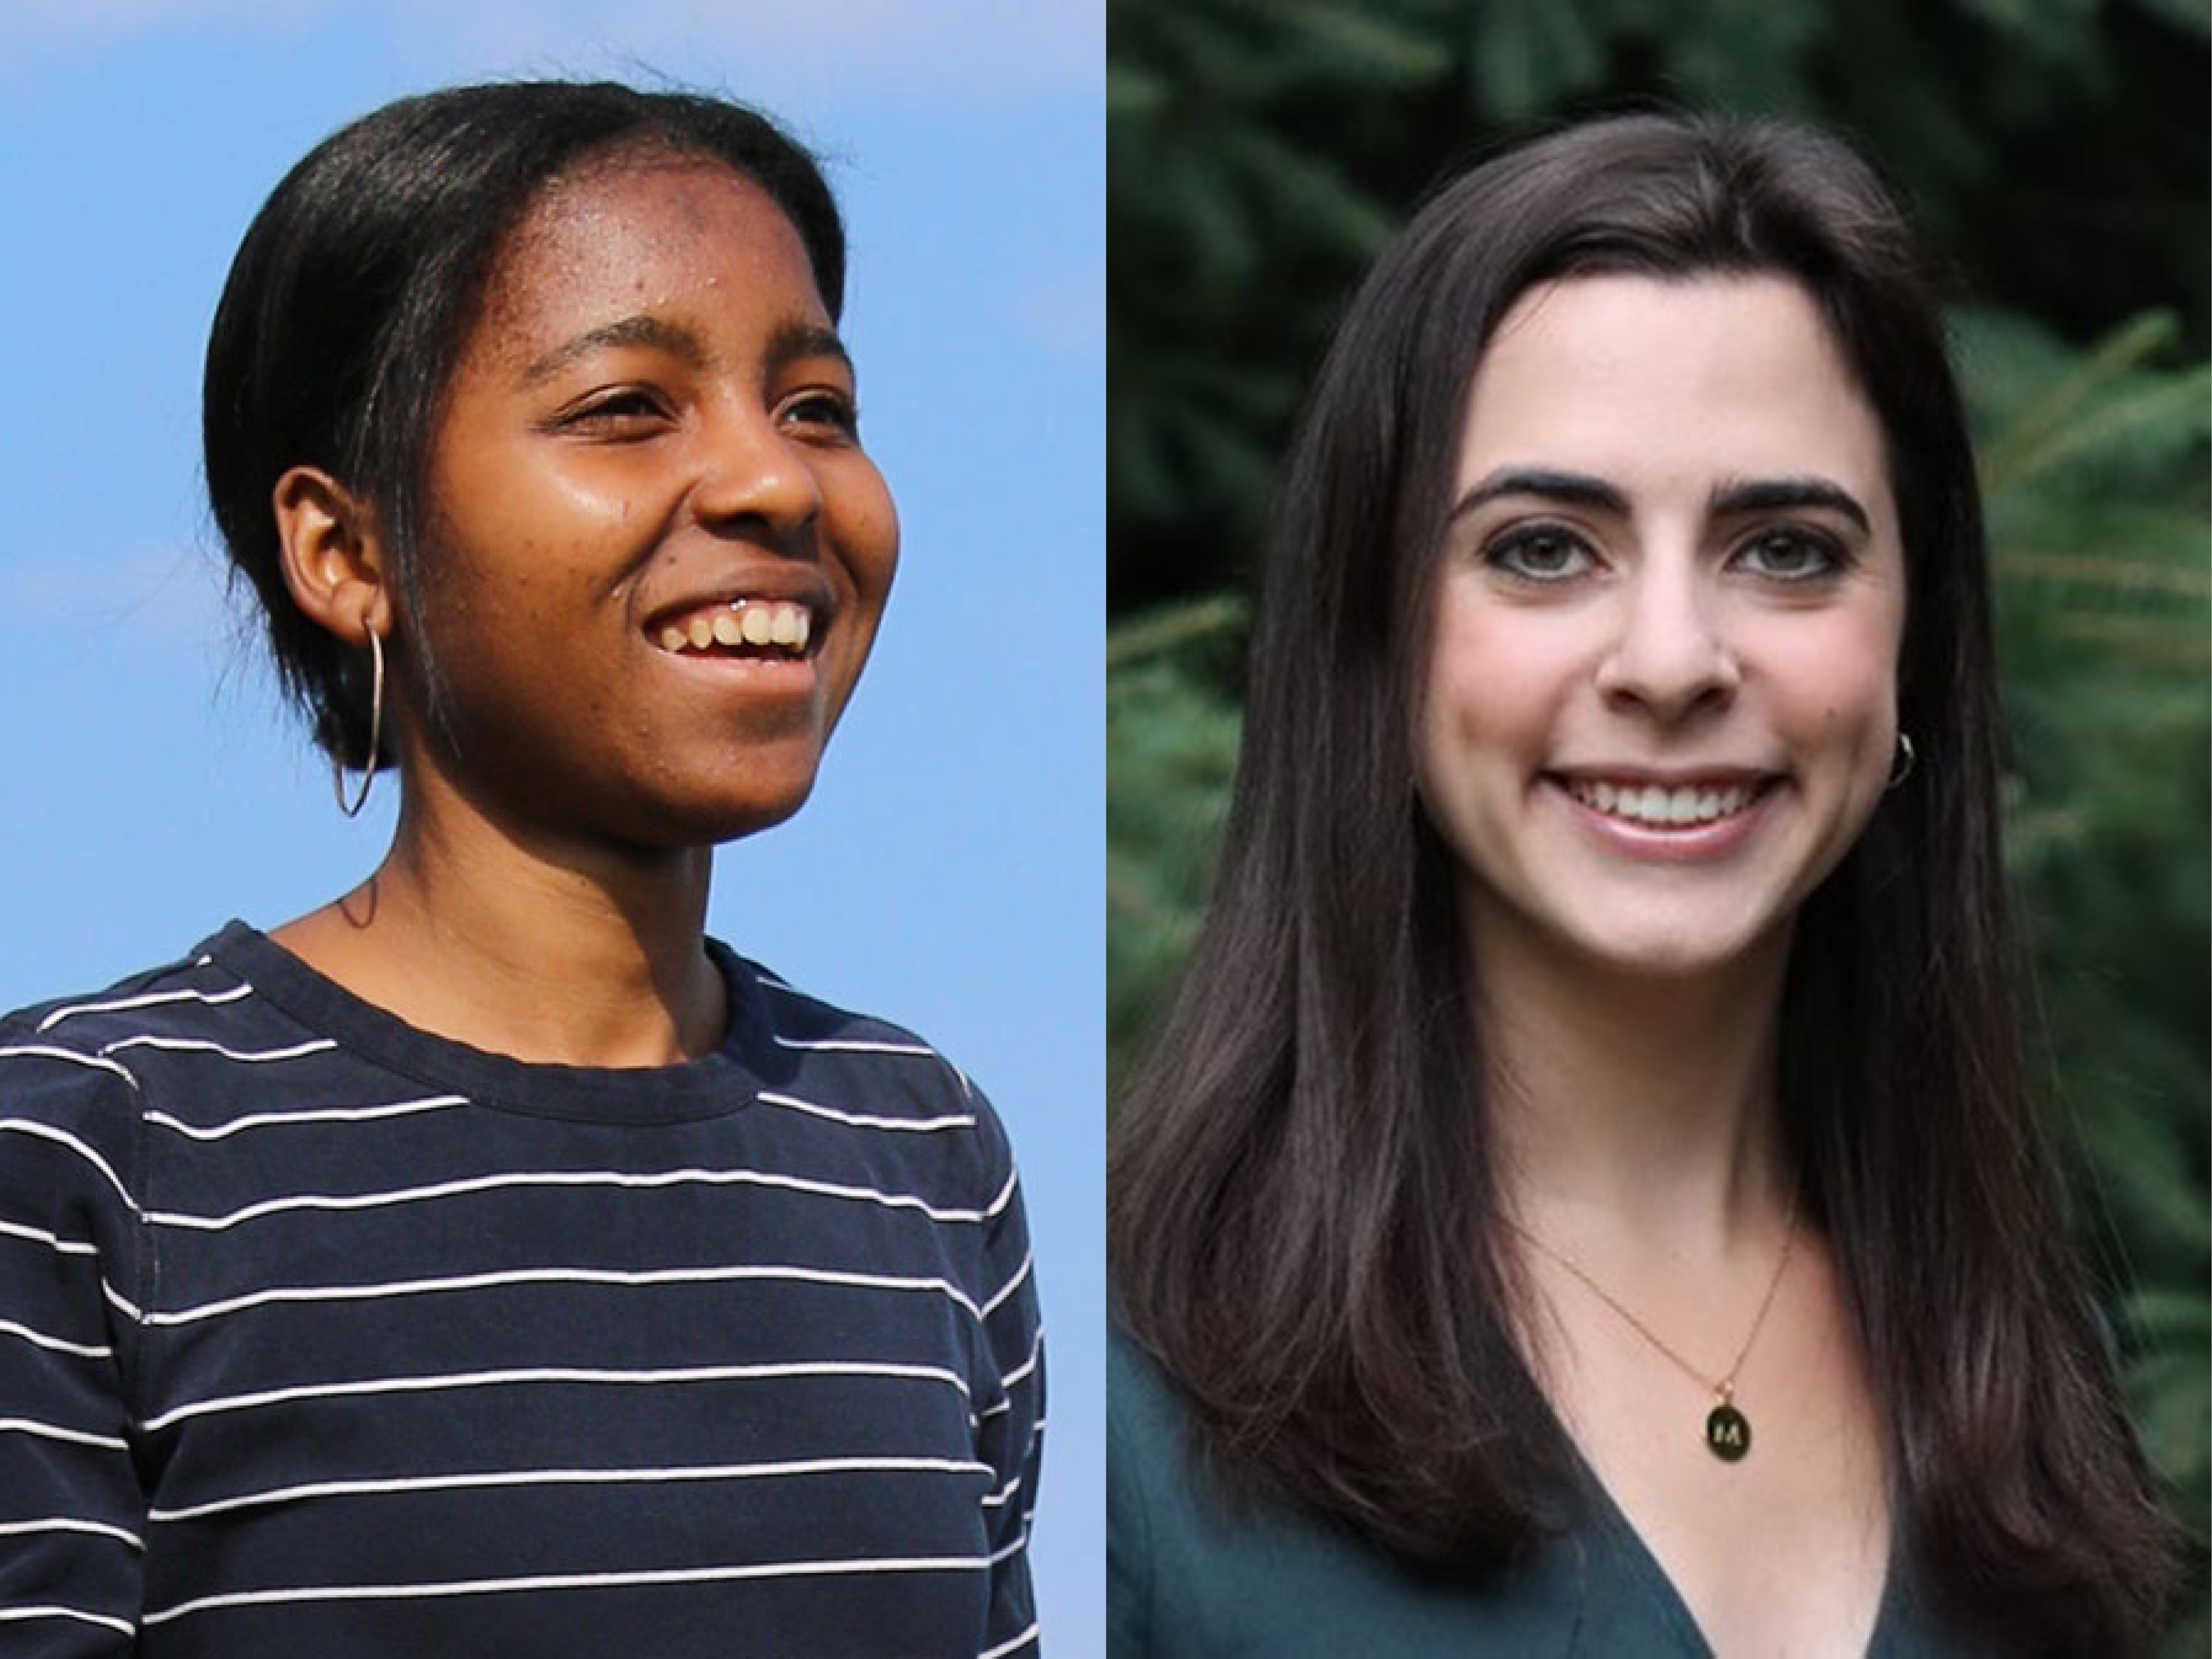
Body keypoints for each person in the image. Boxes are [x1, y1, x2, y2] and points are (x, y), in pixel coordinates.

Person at [1107, 113, 2177, 1657]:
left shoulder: (2025, 1393)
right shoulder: (1112, 1415)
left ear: (1910, 649)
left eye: (1788, 550)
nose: (1673, 661)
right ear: (1380, 646)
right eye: (1545, 548)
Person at [0, 82, 1040, 1657]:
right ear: (346, 554)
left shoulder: (920, 1149)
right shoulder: (93, 1154)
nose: (775, 484)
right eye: (629, 407)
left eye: (816, 405)